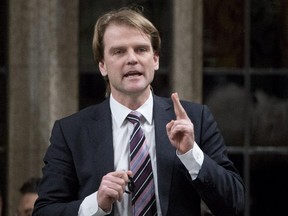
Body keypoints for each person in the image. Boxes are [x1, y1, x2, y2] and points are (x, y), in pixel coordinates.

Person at [33, 6, 245, 216]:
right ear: (102, 66)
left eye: (141, 49)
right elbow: (44, 211)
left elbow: (234, 204)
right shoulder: (71, 132)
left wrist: (191, 154)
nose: (132, 59)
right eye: (119, 51)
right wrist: (95, 204)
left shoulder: (195, 119)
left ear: (155, 60)